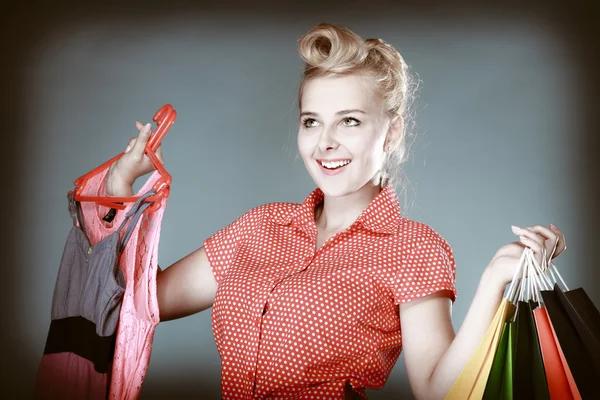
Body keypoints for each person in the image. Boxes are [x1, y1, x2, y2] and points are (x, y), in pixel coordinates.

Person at [104, 23, 566, 399]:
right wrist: (122, 186)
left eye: (350, 120)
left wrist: (493, 282)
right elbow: (140, 302)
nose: (326, 141)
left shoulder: (413, 249)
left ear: (391, 133)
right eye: (311, 122)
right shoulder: (258, 226)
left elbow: (436, 391)